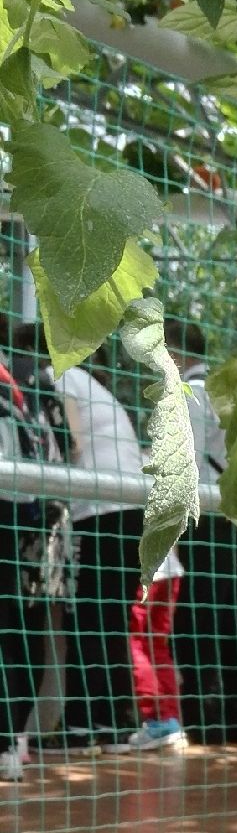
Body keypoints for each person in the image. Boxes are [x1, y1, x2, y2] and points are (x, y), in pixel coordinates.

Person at [167, 322, 237, 745]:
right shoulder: (229, 392)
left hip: (209, 522)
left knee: (198, 620)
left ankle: (204, 720)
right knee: (234, 625)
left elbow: (184, 465)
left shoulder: (189, 393)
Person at [59, 353, 143, 744]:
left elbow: (71, 442)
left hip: (99, 512)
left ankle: (82, 722)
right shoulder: (101, 390)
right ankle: (115, 720)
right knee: (111, 617)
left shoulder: (61, 377)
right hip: (130, 509)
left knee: (87, 616)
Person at [0, 319, 71, 781]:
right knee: (22, 627)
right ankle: (14, 743)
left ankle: (11, 741)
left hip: (14, 511)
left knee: (14, 629)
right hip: (37, 517)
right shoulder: (36, 385)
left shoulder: (18, 381)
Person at [120, 547, 187, 751]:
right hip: (171, 568)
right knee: (157, 645)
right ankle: (170, 720)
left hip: (148, 571)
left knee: (138, 643)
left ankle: (158, 720)